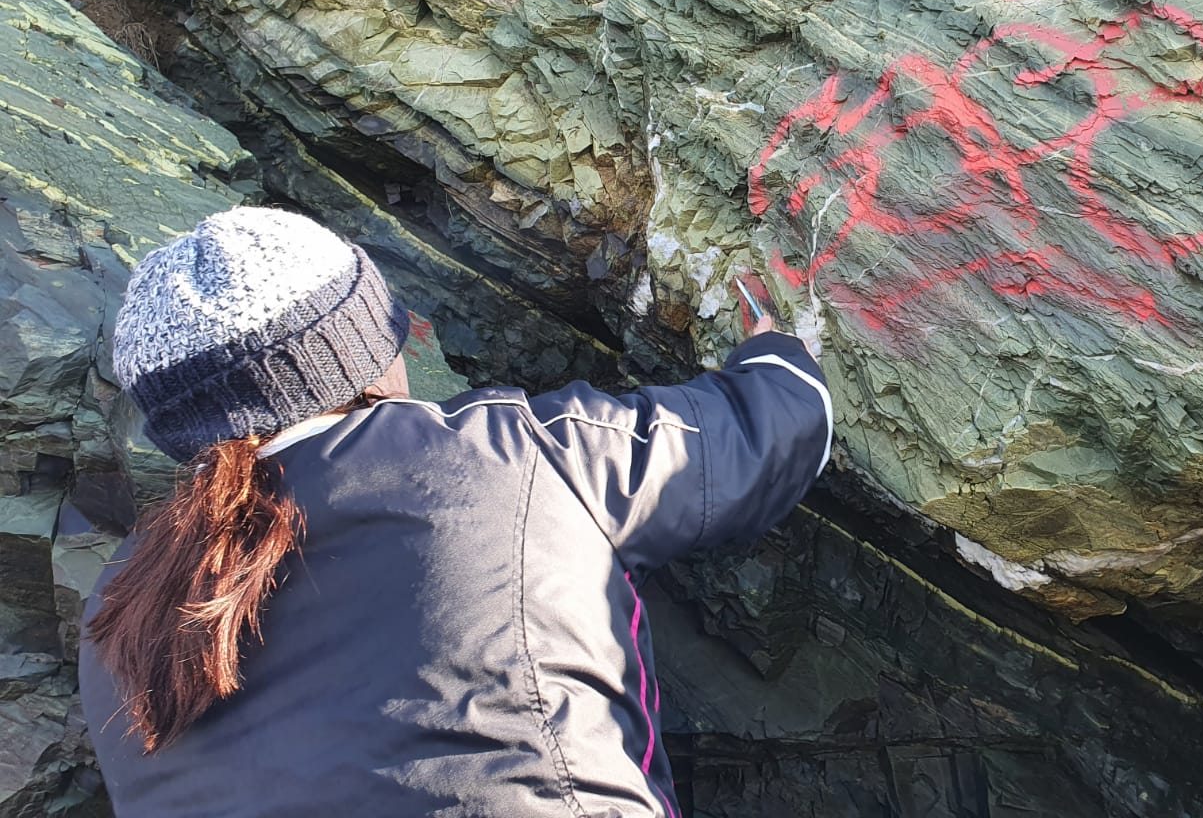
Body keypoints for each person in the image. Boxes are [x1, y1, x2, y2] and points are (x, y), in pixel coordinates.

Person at [78, 206, 832, 817]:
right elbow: (769, 433)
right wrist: (776, 352)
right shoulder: (510, 456)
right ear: (363, 359)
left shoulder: (117, 613)